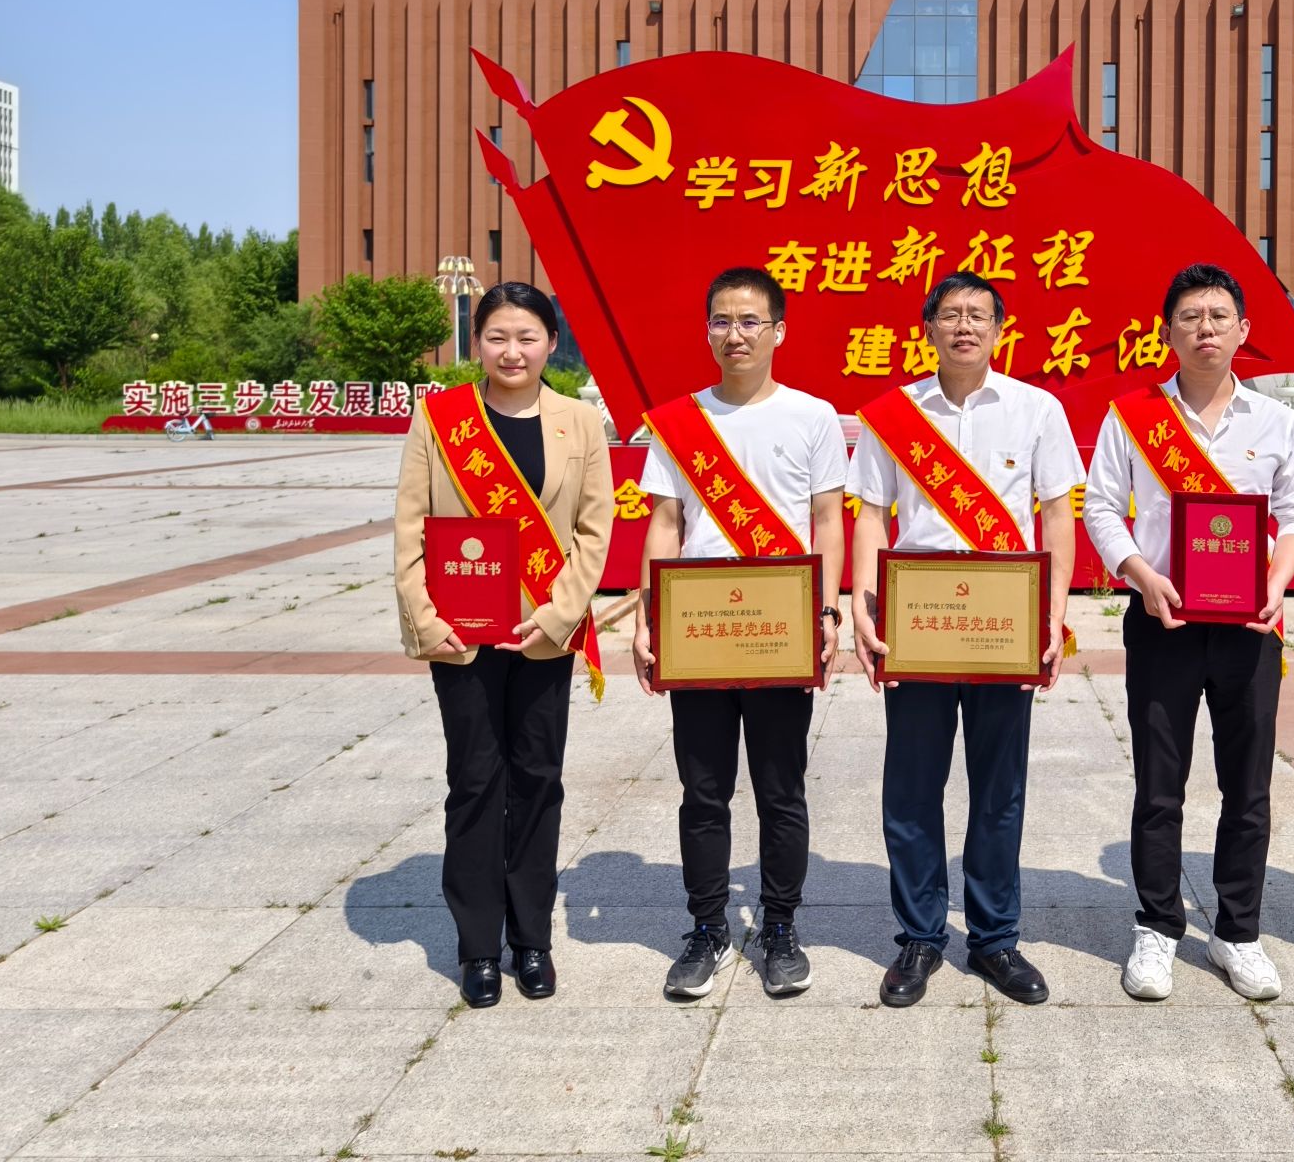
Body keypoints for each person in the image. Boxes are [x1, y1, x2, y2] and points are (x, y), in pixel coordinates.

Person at [848, 271, 1083, 1009]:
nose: (964, 326)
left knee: (999, 790)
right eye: (949, 314)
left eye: (978, 314)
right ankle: (920, 937)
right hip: (917, 626)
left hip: (1004, 629)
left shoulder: (1037, 409)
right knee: (912, 789)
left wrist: (1054, 614)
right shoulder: (895, 414)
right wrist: (861, 604)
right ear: (928, 329)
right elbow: (869, 515)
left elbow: (1057, 516)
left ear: (1000, 329)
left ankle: (994, 938)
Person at [1083, 263, 1294, 1002]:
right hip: (1163, 622)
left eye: (1218, 316)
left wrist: (1276, 584)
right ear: (1168, 332)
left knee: (1247, 786)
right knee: (1160, 785)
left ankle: (1238, 933)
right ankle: (1157, 926)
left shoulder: (1274, 422)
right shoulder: (1132, 416)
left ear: (1243, 330)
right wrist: (1140, 575)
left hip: (1250, 626)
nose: (1205, 328)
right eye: (1189, 317)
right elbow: (1100, 508)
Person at [392, 281, 613, 1008]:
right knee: (475, 783)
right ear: (476, 342)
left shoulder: (580, 423)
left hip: (543, 637)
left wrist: (559, 615)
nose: (511, 351)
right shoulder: (440, 419)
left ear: (551, 343)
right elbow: (410, 528)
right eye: (497, 337)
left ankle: (532, 940)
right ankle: (479, 946)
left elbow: (594, 531)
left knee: (538, 783)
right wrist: (427, 620)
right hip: (462, 638)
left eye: (526, 337)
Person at [631, 266, 848, 1001]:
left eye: (750, 321)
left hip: (781, 630)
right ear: (707, 331)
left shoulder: (813, 416)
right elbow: (665, 524)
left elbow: (827, 521)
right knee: (703, 791)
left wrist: (827, 612)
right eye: (722, 320)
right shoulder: (680, 421)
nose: (736, 334)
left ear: (779, 330)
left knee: (782, 790)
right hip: (699, 631)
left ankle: (780, 926)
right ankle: (708, 928)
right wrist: (646, 618)